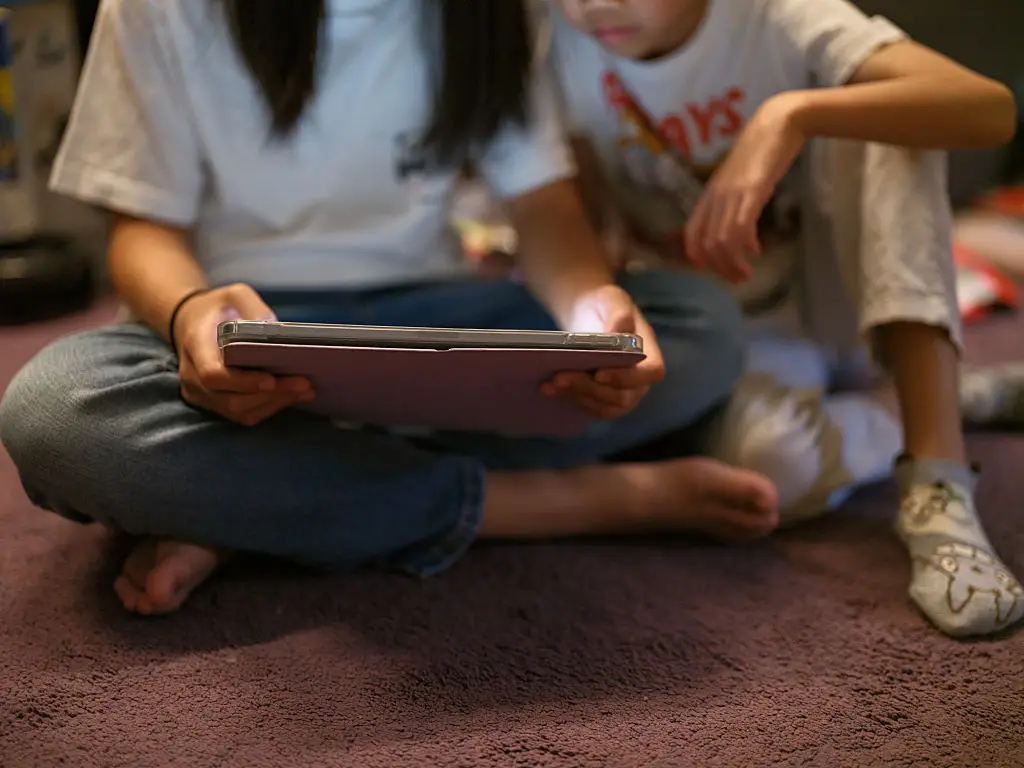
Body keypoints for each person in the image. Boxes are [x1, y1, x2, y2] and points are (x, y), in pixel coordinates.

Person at [0, 0, 812, 617]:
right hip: (242, 328)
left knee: (698, 323)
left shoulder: (487, 14)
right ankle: (546, 503)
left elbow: (542, 207)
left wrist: (593, 307)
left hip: (429, 312)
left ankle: (249, 502)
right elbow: (141, 229)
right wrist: (187, 315)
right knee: (53, 412)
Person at [545, 0, 1024, 638]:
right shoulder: (559, 39)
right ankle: (931, 401)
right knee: (768, 473)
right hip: (731, 332)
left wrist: (789, 114)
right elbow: (577, 212)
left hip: (846, 303)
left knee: (892, 112)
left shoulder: (776, 14)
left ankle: (939, 482)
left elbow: (986, 107)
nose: (593, 4)